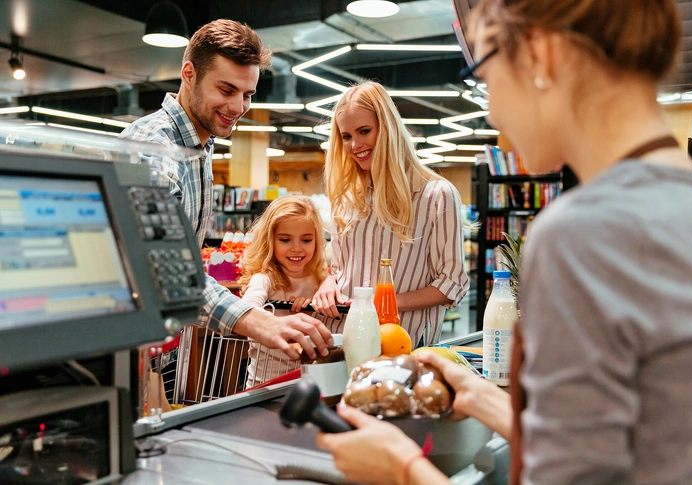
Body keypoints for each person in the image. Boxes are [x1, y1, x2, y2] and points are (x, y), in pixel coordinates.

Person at [318, 0, 692, 484]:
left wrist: (401, 468)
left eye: (487, 75)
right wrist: (488, 400)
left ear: (540, 56)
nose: (491, 109)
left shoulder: (581, 234)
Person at [120, 19, 332, 361]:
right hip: (119, 347)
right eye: (226, 90)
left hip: (150, 346)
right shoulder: (154, 151)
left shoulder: (199, 146)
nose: (238, 108)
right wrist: (256, 321)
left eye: (247, 95)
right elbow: (162, 268)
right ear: (189, 74)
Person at [312, 81, 470, 346]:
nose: (355, 145)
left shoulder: (435, 195)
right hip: (344, 335)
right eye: (346, 136)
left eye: (364, 131)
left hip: (401, 341)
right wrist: (328, 282)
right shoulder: (349, 197)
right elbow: (339, 268)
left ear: (388, 128)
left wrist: (387, 302)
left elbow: (453, 282)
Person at [239, 195, 332, 387]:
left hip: (312, 383)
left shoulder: (321, 281)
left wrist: (309, 313)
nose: (296, 248)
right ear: (269, 240)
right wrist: (287, 321)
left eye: (306, 240)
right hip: (264, 385)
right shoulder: (265, 279)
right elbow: (246, 309)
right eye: (285, 240)